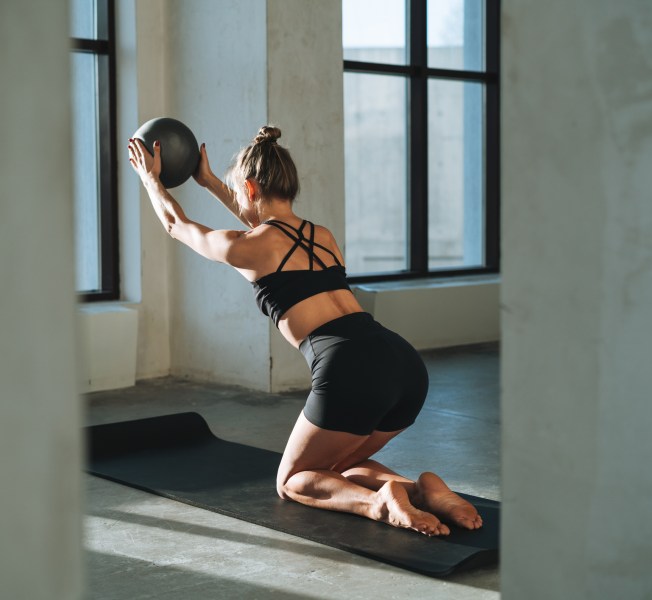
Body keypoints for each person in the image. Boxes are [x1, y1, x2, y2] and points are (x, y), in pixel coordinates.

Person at [128, 126, 482, 536]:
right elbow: (259, 219)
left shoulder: (249, 246)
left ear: (249, 187)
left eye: (239, 192)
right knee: (336, 467)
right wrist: (208, 182)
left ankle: (379, 503)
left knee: (294, 480)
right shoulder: (323, 236)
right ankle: (422, 492)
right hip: (402, 363)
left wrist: (150, 179)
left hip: (349, 366)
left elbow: (176, 224)